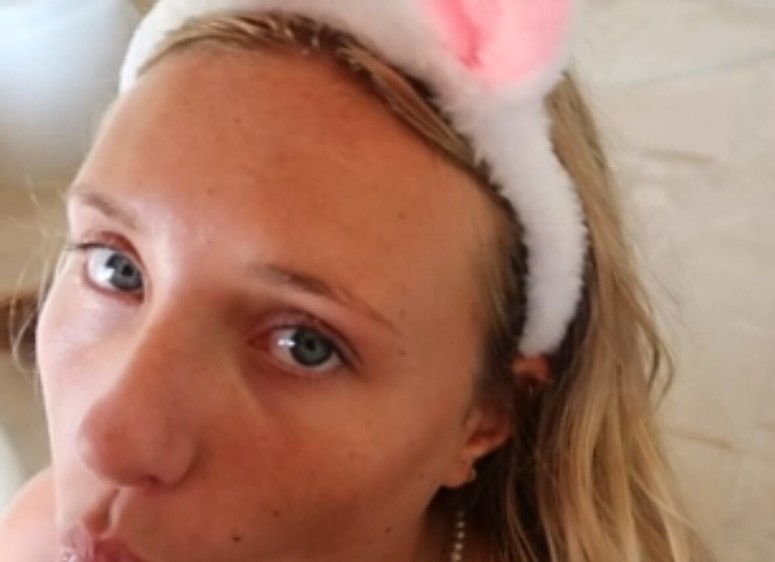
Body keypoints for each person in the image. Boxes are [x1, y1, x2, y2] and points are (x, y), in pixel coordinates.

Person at [0, 1, 710, 560]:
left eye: (303, 345)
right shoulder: (33, 540)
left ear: (485, 416)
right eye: (116, 267)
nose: (107, 442)